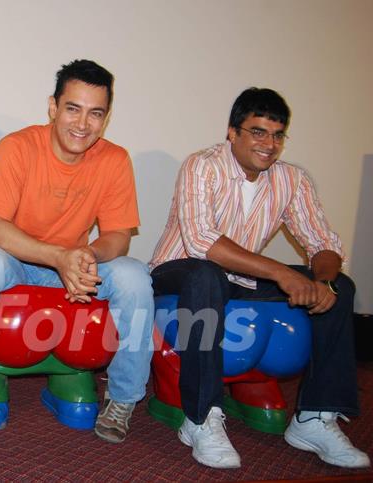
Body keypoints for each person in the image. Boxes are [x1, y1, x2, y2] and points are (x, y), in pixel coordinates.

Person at [0, 59, 154, 443]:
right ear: (53, 107)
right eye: (73, 109)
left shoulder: (115, 160)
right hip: (19, 261)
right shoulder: (17, 147)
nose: (82, 124)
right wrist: (58, 257)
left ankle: (123, 399)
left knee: (134, 275)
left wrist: (88, 257)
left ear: (106, 118)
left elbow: (117, 236)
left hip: (74, 263)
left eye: (95, 113)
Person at [149, 87, 370, 469]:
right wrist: (282, 273)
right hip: (180, 270)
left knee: (342, 287)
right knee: (206, 274)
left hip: (242, 278)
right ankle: (200, 417)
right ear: (232, 132)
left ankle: (314, 417)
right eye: (257, 132)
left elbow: (323, 243)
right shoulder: (202, 165)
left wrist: (325, 282)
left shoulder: (292, 179)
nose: (269, 144)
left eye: (277, 134)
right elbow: (202, 241)